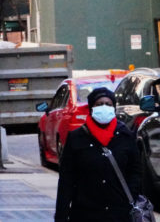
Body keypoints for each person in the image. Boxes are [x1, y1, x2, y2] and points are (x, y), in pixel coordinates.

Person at [55, 86, 142, 221]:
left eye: (108, 104)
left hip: (119, 213)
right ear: (91, 108)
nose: (104, 107)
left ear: (114, 107)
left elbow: (135, 171)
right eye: (99, 104)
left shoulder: (125, 136)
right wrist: (61, 215)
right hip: (85, 214)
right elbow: (66, 180)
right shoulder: (76, 138)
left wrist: (130, 197)